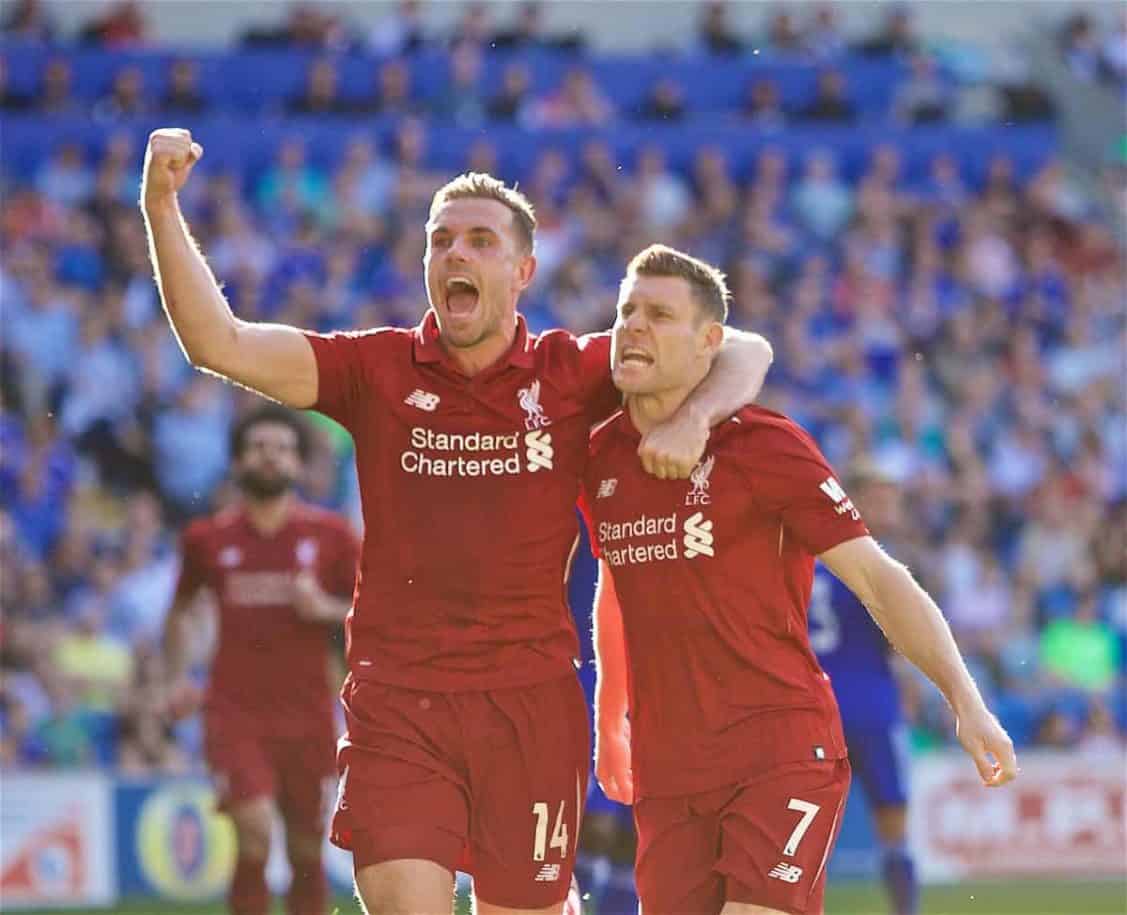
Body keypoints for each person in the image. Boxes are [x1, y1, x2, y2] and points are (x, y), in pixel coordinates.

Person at [140, 128, 774, 915]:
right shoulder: (374, 369)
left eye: (480, 240)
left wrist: (693, 419)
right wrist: (161, 203)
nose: (455, 255)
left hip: (529, 703)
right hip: (399, 701)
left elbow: (741, 348)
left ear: (522, 271)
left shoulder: (573, 371)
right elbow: (218, 342)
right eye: (440, 241)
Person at [584, 244, 1018, 915]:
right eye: (626, 310)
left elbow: (877, 578)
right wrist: (611, 710)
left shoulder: (764, 445)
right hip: (669, 766)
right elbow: (618, 582)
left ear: (708, 344)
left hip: (778, 749)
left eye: (658, 314)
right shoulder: (597, 454)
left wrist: (964, 697)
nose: (633, 325)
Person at [162, 405, 359, 915]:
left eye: (281, 449)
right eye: (258, 447)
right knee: (252, 834)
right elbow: (180, 612)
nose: (269, 457)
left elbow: (375, 612)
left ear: (299, 464)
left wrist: (326, 609)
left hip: (310, 716)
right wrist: (178, 676)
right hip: (233, 713)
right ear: (236, 460)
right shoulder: (207, 540)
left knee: (305, 849)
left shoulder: (333, 537)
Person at [808, 462, 918, 915]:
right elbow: (903, 638)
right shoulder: (878, 560)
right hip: (871, 705)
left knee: (804, 833)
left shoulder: (804, 556)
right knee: (892, 826)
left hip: (815, 707)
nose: (889, 505)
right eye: (880, 496)